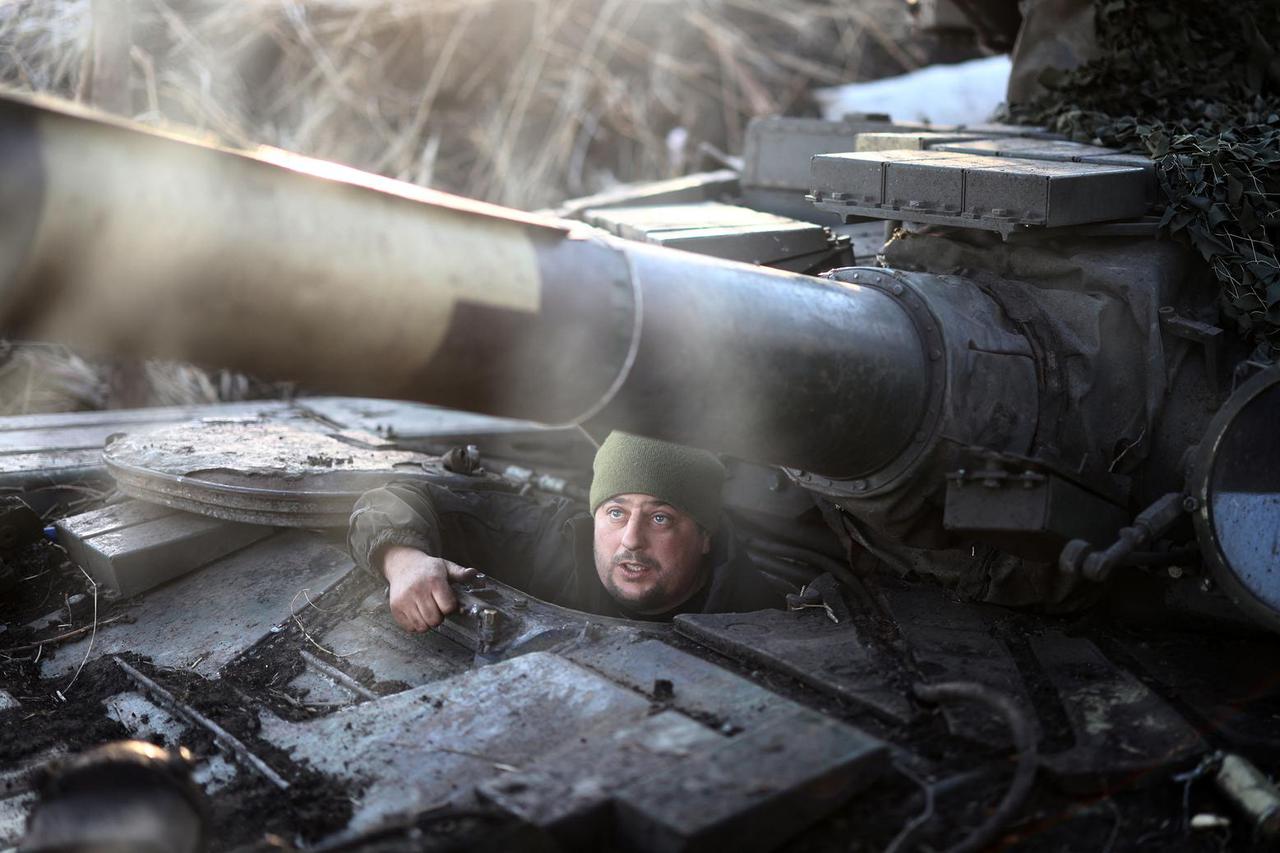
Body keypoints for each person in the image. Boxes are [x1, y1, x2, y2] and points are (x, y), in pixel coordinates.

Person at [347, 431, 779, 631]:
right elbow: (396, 497)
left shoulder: (760, 617)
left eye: (660, 518)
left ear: (706, 536)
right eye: (615, 513)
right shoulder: (552, 539)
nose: (631, 540)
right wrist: (403, 560)